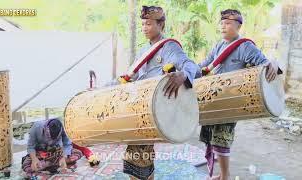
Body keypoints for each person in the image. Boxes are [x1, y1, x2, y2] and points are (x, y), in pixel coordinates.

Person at [108, 5, 201, 180]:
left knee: (138, 156)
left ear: (161, 25)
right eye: (143, 24)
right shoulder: (144, 51)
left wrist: (183, 75)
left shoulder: (170, 47)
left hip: (154, 110)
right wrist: (103, 88)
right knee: (139, 155)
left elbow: (190, 65)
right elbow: (130, 76)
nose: (144, 28)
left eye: (149, 24)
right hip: (139, 107)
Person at [198, 9, 280, 180]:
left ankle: (226, 176)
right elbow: (204, 65)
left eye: (227, 23)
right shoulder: (218, 45)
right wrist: (188, 70)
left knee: (222, 138)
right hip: (214, 98)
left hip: (231, 100)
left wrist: (272, 62)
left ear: (238, 26)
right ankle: (221, 175)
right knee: (213, 138)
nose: (223, 26)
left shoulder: (245, 46)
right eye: (221, 23)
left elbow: (264, 65)